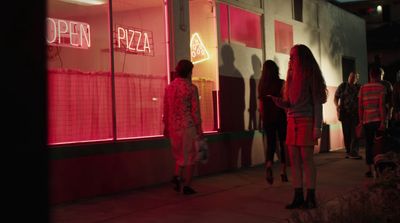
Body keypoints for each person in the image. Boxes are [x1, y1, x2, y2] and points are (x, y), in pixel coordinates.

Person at [270, 44, 327, 209]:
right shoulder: (291, 76)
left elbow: (317, 103)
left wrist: (318, 127)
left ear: (302, 58)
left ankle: (311, 196)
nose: (290, 59)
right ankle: (298, 195)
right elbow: (291, 103)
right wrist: (282, 103)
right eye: (290, 56)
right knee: (294, 161)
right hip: (292, 121)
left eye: (293, 56)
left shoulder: (310, 74)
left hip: (306, 121)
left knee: (307, 159)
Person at [163, 59, 203, 195]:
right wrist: (199, 129)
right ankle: (187, 185)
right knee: (190, 156)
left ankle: (176, 176)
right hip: (187, 126)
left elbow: (166, 109)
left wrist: (166, 127)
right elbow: (195, 111)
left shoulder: (169, 88)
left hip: (174, 127)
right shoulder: (191, 88)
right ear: (189, 72)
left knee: (179, 156)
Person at [258, 60, 288, 185]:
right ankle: (283, 172)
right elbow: (286, 101)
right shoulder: (282, 83)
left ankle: (269, 165)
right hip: (280, 116)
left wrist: (262, 118)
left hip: (268, 118)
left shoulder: (262, 85)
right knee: (283, 144)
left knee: (270, 143)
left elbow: (260, 106)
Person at [358, 65, 387, 178]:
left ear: (370, 75)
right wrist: (383, 122)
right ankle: (378, 168)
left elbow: (360, 106)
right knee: (379, 146)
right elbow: (381, 106)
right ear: (379, 76)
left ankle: (369, 169)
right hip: (378, 121)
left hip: (366, 121)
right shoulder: (381, 88)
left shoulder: (363, 88)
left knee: (368, 145)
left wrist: (361, 121)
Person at [334, 72, 362, 159]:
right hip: (344, 113)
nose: (352, 78)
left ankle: (354, 151)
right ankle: (348, 151)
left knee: (355, 133)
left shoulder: (359, 87)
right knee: (346, 133)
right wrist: (337, 106)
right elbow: (335, 97)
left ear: (357, 79)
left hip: (355, 113)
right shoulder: (343, 86)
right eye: (350, 76)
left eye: (354, 77)